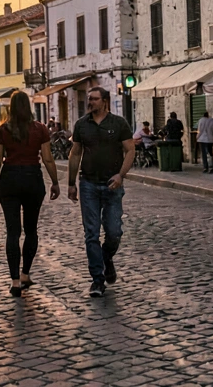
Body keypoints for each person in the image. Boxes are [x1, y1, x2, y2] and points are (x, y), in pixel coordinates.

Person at [0, 92, 60, 296]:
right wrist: (55, 182)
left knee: (12, 232)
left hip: (9, 179)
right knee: (31, 229)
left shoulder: (3, 129)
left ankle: (15, 281)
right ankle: (26, 273)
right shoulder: (40, 129)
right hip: (32, 178)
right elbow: (47, 159)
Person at [68, 87, 134, 298]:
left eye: (95, 99)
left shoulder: (118, 123)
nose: (91, 102)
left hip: (112, 185)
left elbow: (130, 149)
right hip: (88, 184)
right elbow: (75, 152)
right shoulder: (81, 125)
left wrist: (121, 175)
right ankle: (97, 280)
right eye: (89, 99)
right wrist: (71, 183)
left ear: (105, 101)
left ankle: (107, 258)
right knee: (91, 234)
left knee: (114, 232)